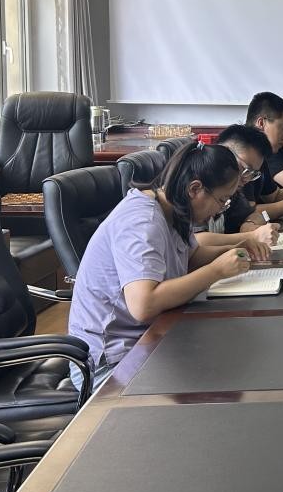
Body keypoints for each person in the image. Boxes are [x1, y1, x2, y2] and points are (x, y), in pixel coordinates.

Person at [68, 142, 253, 391]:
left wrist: (236, 249)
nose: (220, 210)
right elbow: (143, 305)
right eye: (221, 201)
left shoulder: (173, 209)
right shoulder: (142, 221)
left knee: (233, 354)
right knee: (218, 381)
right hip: (112, 360)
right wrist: (216, 270)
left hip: (149, 336)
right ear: (195, 188)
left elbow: (190, 257)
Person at [192, 124, 280, 254]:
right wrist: (252, 236)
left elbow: (253, 213)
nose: (246, 179)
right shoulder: (200, 183)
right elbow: (195, 241)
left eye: (253, 174)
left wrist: (249, 223)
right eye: (245, 169)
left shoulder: (231, 190)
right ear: (224, 152)